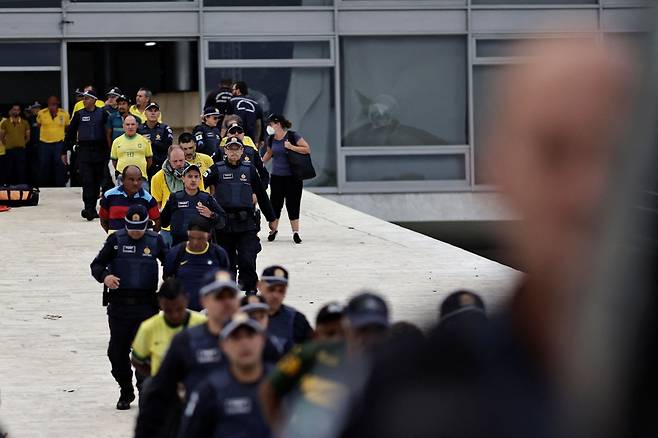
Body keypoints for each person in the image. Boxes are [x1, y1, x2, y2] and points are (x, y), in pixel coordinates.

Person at [259, 292, 390, 437]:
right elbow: (269, 388)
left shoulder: (390, 362)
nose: (368, 338)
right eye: (362, 330)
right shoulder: (311, 353)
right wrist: (283, 430)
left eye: (377, 331)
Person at [134, 270, 240, 438]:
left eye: (230, 297)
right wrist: (158, 379)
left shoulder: (247, 336)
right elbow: (138, 359)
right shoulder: (184, 339)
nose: (225, 304)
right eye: (218, 297)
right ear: (204, 300)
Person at [90, 204, 168, 410]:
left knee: (146, 351)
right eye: (132, 227)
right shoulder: (115, 240)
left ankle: (144, 389)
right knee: (116, 352)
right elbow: (96, 265)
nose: (135, 231)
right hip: (119, 307)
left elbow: (170, 264)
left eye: (139, 227)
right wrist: (105, 277)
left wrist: (168, 287)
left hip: (147, 306)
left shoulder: (155, 240)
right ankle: (125, 388)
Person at [178, 313, 272, 438]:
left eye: (250, 335)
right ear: (223, 345)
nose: (244, 343)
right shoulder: (209, 391)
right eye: (236, 337)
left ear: (263, 339)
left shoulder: (284, 384)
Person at [203, 137, 276, 293]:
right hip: (223, 224)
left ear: (242, 151)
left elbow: (262, 195)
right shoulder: (216, 169)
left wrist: (271, 218)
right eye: (231, 148)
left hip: (246, 223)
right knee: (227, 262)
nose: (234, 152)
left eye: (237, 148)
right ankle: (229, 291)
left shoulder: (249, 170)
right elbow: (199, 185)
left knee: (247, 258)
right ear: (226, 150)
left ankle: (250, 289)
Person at [131, 278, 207, 377]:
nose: (174, 315)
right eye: (168, 310)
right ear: (160, 303)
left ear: (186, 300)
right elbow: (137, 360)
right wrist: (157, 379)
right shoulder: (148, 328)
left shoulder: (203, 324)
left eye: (179, 309)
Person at [163, 217, 231, 312]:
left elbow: (225, 279)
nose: (195, 242)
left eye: (200, 239)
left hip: (211, 310)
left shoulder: (218, 253)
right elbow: (167, 278)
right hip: (184, 310)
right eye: (192, 238)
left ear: (208, 236)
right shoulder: (176, 253)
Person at [262, 113, 311, 244]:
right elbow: (269, 152)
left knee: (293, 204)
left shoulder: (293, 136)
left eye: (270, 124)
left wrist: (292, 147)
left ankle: (295, 232)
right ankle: (273, 230)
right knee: (275, 204)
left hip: (293, 177)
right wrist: (261, 164)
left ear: (278, 124)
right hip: (277, 177)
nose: (269, 126)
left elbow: (307, 149)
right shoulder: (271, 139)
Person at [64, 88, 111, 219]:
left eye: (87, 98)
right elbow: (70, 134)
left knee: (97, 180)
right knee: (87, 180)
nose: (84, 100)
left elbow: (109, 131)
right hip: (84, 151)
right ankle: (88, 208)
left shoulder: (103, 114)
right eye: (83, 98)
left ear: (94, 100)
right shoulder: (79, 114)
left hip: (99, 150)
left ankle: (93, 208)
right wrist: (66, 150)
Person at [160, 164, 225, 246]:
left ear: (200, 179)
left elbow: (222, 222)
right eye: (190, 176)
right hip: (179, 245)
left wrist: (211, 214)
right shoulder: (175, 198)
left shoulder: (207, 199)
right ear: (183, 178)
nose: (193, 180)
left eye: (196, 176)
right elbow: (164, 222)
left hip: (202, 245)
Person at [258, 265, 313, 355]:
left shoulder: (296, 320)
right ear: (259, 286)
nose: (276, 295)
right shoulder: (244, 315)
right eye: (271, 289)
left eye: (281, 291)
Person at [99, 165, 160, 233]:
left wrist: (149, 237)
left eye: (139, 179)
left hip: (140, 242)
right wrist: (113, 235)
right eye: (131, 179)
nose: (135, 183)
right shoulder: (109, 196)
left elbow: (157, 221)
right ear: (123, 180)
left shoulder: (148, 198)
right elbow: (103, 219)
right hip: (117, 241)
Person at [151, 145, 187, 247]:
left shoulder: (193, 173)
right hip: (168, 229)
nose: (179, 164)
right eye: (175, 161)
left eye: (181, 160)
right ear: (168, 159)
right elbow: (157, 204)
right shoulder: (157, 177)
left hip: (189, 227)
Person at [219, 120, 269, 190]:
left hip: (246, 194)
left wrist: (258, 193)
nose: (236, 133)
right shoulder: (220, 151)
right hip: (225, 194)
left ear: (243, 134)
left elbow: (264, 175)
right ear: (228, 135)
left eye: (239, 131)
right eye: (233, 131)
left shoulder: (252, 152)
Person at [240, 294, 287, 363]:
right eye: (251, 316)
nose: (257, 322)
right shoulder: (228, 346)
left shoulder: (282, 347)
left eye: (261, 316)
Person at [36, 96, 70, 187]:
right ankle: (43, 186)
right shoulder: (41, 113)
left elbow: (67, 128)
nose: (52, 106)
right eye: (51, 104)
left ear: (57, 104)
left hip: (59, 143)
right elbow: (39, 126)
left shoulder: (64, 114)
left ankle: (60, 185)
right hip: (44, 143)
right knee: (44, 164)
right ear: (48, 104)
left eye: (54, 104)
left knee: (59, 164)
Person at [138, 101, 173, 180]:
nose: (153, 113)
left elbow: (168, 147)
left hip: (160, 167)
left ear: (159, 113)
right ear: (145, 113)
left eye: (155, 111)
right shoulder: (139, 129)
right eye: (150, 111)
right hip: (144, 167)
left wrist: (151, 142)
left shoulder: (165, 128)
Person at [111, 115, 153, 181]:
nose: (130, 127)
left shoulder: (145, 141)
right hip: (122, 178)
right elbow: (114, 161)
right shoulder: (116, 141)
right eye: (127, 124)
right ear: (123, 126)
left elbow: (149, 160)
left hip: (141, 178)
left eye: (133, 124)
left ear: (137, 125)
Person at [0, 103, 30, 184]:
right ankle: (9, 187)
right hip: (9, 150)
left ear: (19, 111)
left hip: (21, 150)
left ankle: (21, 186)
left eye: (17, 110)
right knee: (9, 169)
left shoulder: (25, 122)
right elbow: (2, 137)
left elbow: (28, 137)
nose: (15, 111)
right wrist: (8, 144)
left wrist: (22, 143)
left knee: (21, 169)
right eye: (14, 109)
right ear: (11, 111)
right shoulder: (5, 122)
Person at [24, 101, 41, 187]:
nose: (37, 110)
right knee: (31, 166)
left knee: (41, 166)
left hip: (41, 146)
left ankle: (40, 183)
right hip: (31, 147)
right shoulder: (29, 120)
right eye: (35, 108)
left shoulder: (43, 118)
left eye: (38, 108)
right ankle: (32, 184)